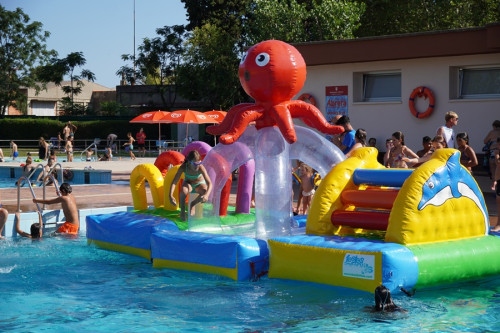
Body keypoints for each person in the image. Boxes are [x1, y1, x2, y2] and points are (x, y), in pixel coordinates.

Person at [169, 150, 212, 221]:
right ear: (189, 162)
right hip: (188, 184)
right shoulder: (183, 167)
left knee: (205, 191)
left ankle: (193, 204)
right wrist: (170, 195)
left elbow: (209, 183)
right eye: (194, 164)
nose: (197, 166)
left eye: (199, 163)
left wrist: (207, 195)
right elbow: (174, 182)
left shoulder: (201, 167)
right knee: (183, 190)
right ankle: (182, 210)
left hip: (199, 185)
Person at [490, 138, 500, 232]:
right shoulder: (497, 152)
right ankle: (498, 223)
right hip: (499, 179)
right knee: (498, 200)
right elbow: (497, 163)